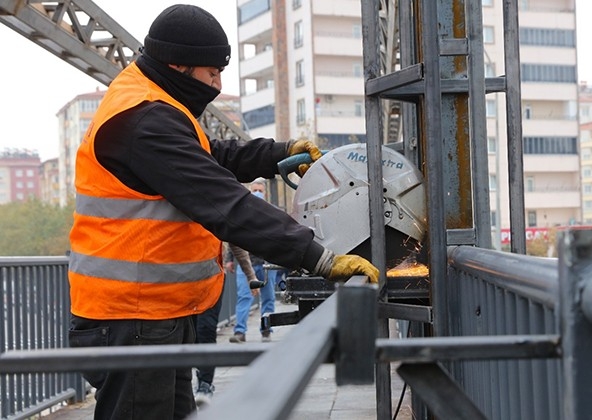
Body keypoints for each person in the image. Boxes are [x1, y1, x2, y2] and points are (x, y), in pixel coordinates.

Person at [66, 4, 379, 420]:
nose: (217, 84)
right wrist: (320, 257)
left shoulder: (155, 103)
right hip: (133, 317)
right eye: (211, 73)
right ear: (178, 65)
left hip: (153, 314)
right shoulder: (145, 120)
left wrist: (278, 154)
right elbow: (224, 202)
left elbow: (211, 156)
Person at [229, 179, 277, 343]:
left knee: (268, 298)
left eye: (260, 190)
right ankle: (239, 332)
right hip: (246, 263)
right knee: (244, 296)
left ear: (265, 193)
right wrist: (230, 259)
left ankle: (266, 329)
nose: (257, 193)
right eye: (255, 190)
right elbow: (232, 237)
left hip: (266, 264)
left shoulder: (271, 213)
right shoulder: (241, 213)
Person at [193, 243, 234, 406]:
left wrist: (250, 275)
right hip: (186, 283)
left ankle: (205, 384)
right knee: (192, 334)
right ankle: (197, 379)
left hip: (212, 280)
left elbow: (237, 246)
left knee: (206, 330)